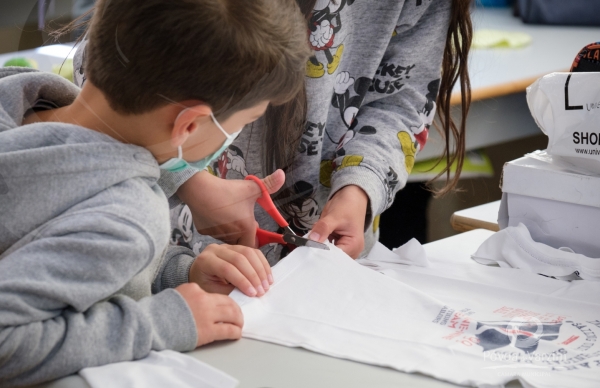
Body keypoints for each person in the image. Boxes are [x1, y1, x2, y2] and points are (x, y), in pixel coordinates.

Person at [0, 0, 309, 386]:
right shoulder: (129, 217)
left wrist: (179, 274)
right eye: (244, 122)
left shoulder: (15, 98)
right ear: (191, 126)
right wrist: (162, 323)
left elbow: (60, 238)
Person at [149, 0, 473, 263]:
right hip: (176, 252)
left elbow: (400, 102)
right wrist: (190, 181)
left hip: (330, 269)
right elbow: (118, 86)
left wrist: (359, 189)